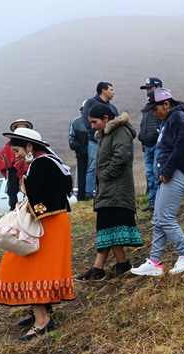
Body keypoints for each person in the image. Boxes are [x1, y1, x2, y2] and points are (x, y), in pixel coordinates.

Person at [0, 127, 75, 341]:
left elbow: (42, 199)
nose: (16, 155)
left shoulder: (42, 164)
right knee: (36, 268)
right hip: (51, 222)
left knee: (30, 269)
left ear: (30, 147)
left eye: (18, 149)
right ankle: (39, 312)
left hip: (47, 224)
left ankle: (42, 320)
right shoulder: (47, 162)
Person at [130, 88, 184, 276]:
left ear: (167, 104)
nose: (154, 113)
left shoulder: (178, 118)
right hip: (168, 175)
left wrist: (167, 170)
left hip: (176, 174)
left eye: (155, 109)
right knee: (158, 219)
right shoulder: (170, 119)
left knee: (165, 218)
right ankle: (155, 262)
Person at [75, 105, 143, 282]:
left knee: (107, 226)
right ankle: (119, 265)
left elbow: (121, 158)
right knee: (109, 228)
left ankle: (102, 269)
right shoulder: (106, 135)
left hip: (116, 189)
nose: (92, 126)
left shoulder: (120, 132)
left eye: (94, 122)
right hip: (109, 190)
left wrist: (104, 176)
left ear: (106, 118)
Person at [82, 82, 119, 199]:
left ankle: (104, 192)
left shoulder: (112, 108)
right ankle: (89, 194)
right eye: (111, 90)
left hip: (110, 142)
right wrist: (97, 134)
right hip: (94, 141)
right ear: (103, 90)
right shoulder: (91, 102)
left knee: (108, 165)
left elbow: (117, 123)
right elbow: (86, 120)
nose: (113, 92)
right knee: (93, 166)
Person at [0, 119, 32, 210]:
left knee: (28, 187)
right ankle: (13, 208)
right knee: (11, 189)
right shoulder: (9, 144)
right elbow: (5, 155)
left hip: (28, 168)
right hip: (13, 169)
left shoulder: (31, 143)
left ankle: (28, 206)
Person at [138, 77, 163, 212]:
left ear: (158, 88)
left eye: (150, 88)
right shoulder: (148, 106)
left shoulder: (164, 104)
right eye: (147, 89)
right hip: (147, 145)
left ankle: (158, 200)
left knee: (156, 171)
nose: (147, 91)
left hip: (158, 144)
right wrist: (143, 139)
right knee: (150, 173)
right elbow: (144, 124)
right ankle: (153, 200)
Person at [69, 102, 89, 200]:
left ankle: (91, 196)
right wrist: (80, 148)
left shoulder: (96, 120)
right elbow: (71, 139)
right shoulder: (75, 122)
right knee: (82, 177)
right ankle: (81, 197)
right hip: (82, 155)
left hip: (95, 154)